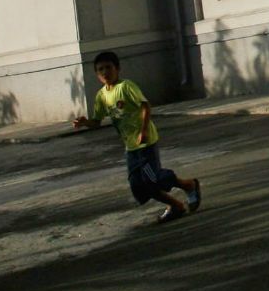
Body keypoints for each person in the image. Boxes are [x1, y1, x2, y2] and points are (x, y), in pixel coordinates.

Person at [70, 51, 201, 224]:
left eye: (108, 67)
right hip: (131, 147)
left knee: (152, 179)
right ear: (96, 74)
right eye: (100, 69)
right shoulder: (102, 96)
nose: (105, 72)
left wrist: (143, 130)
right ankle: (176, 204)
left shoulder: (126, 87)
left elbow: (145, 106)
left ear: (117, 68)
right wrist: (84, 123)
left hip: (145, 142)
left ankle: (188, 186)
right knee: (137, 186)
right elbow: (97, 121)